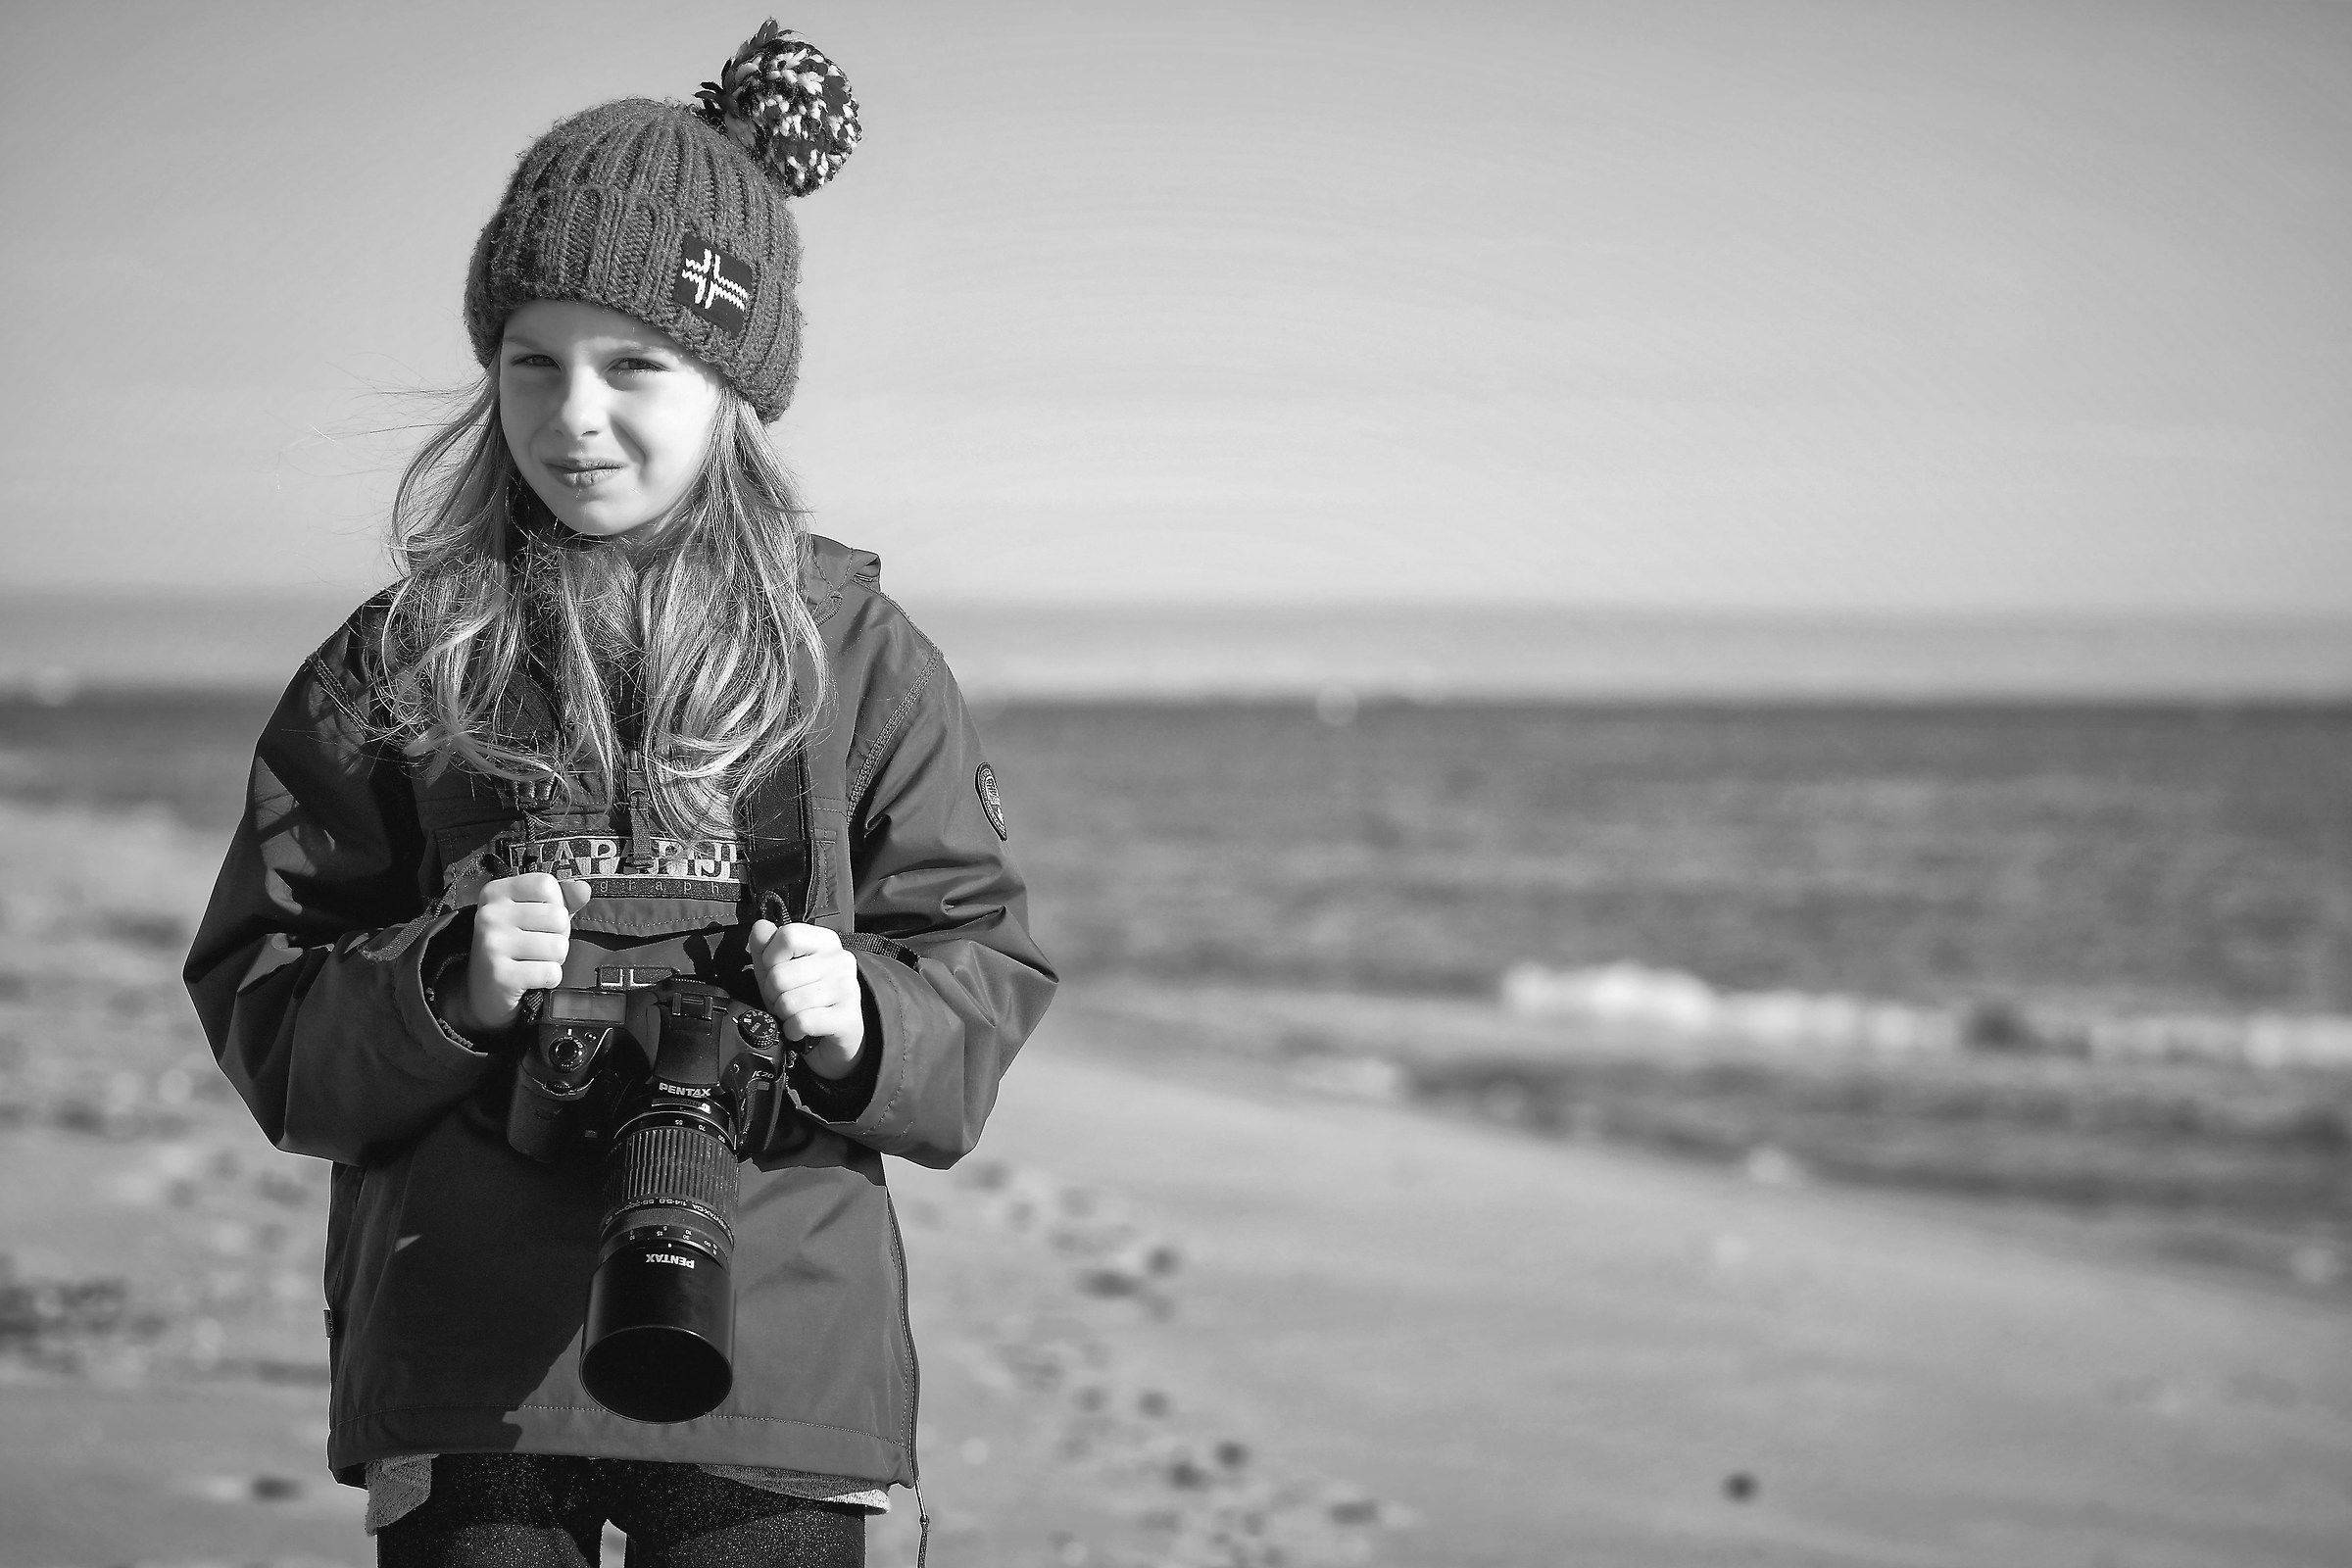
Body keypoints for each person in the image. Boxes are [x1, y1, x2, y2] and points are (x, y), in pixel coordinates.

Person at [182, 22, 1054, 1567]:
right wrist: (440, 992)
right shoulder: (401, 659)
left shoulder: (854, 657)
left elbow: (978, 973)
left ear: (735, 385)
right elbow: (268, 1005)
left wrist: (859, 1021)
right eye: (533, 361)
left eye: (635, 364)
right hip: (465, 1365)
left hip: (780, 1354)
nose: (574, 414)